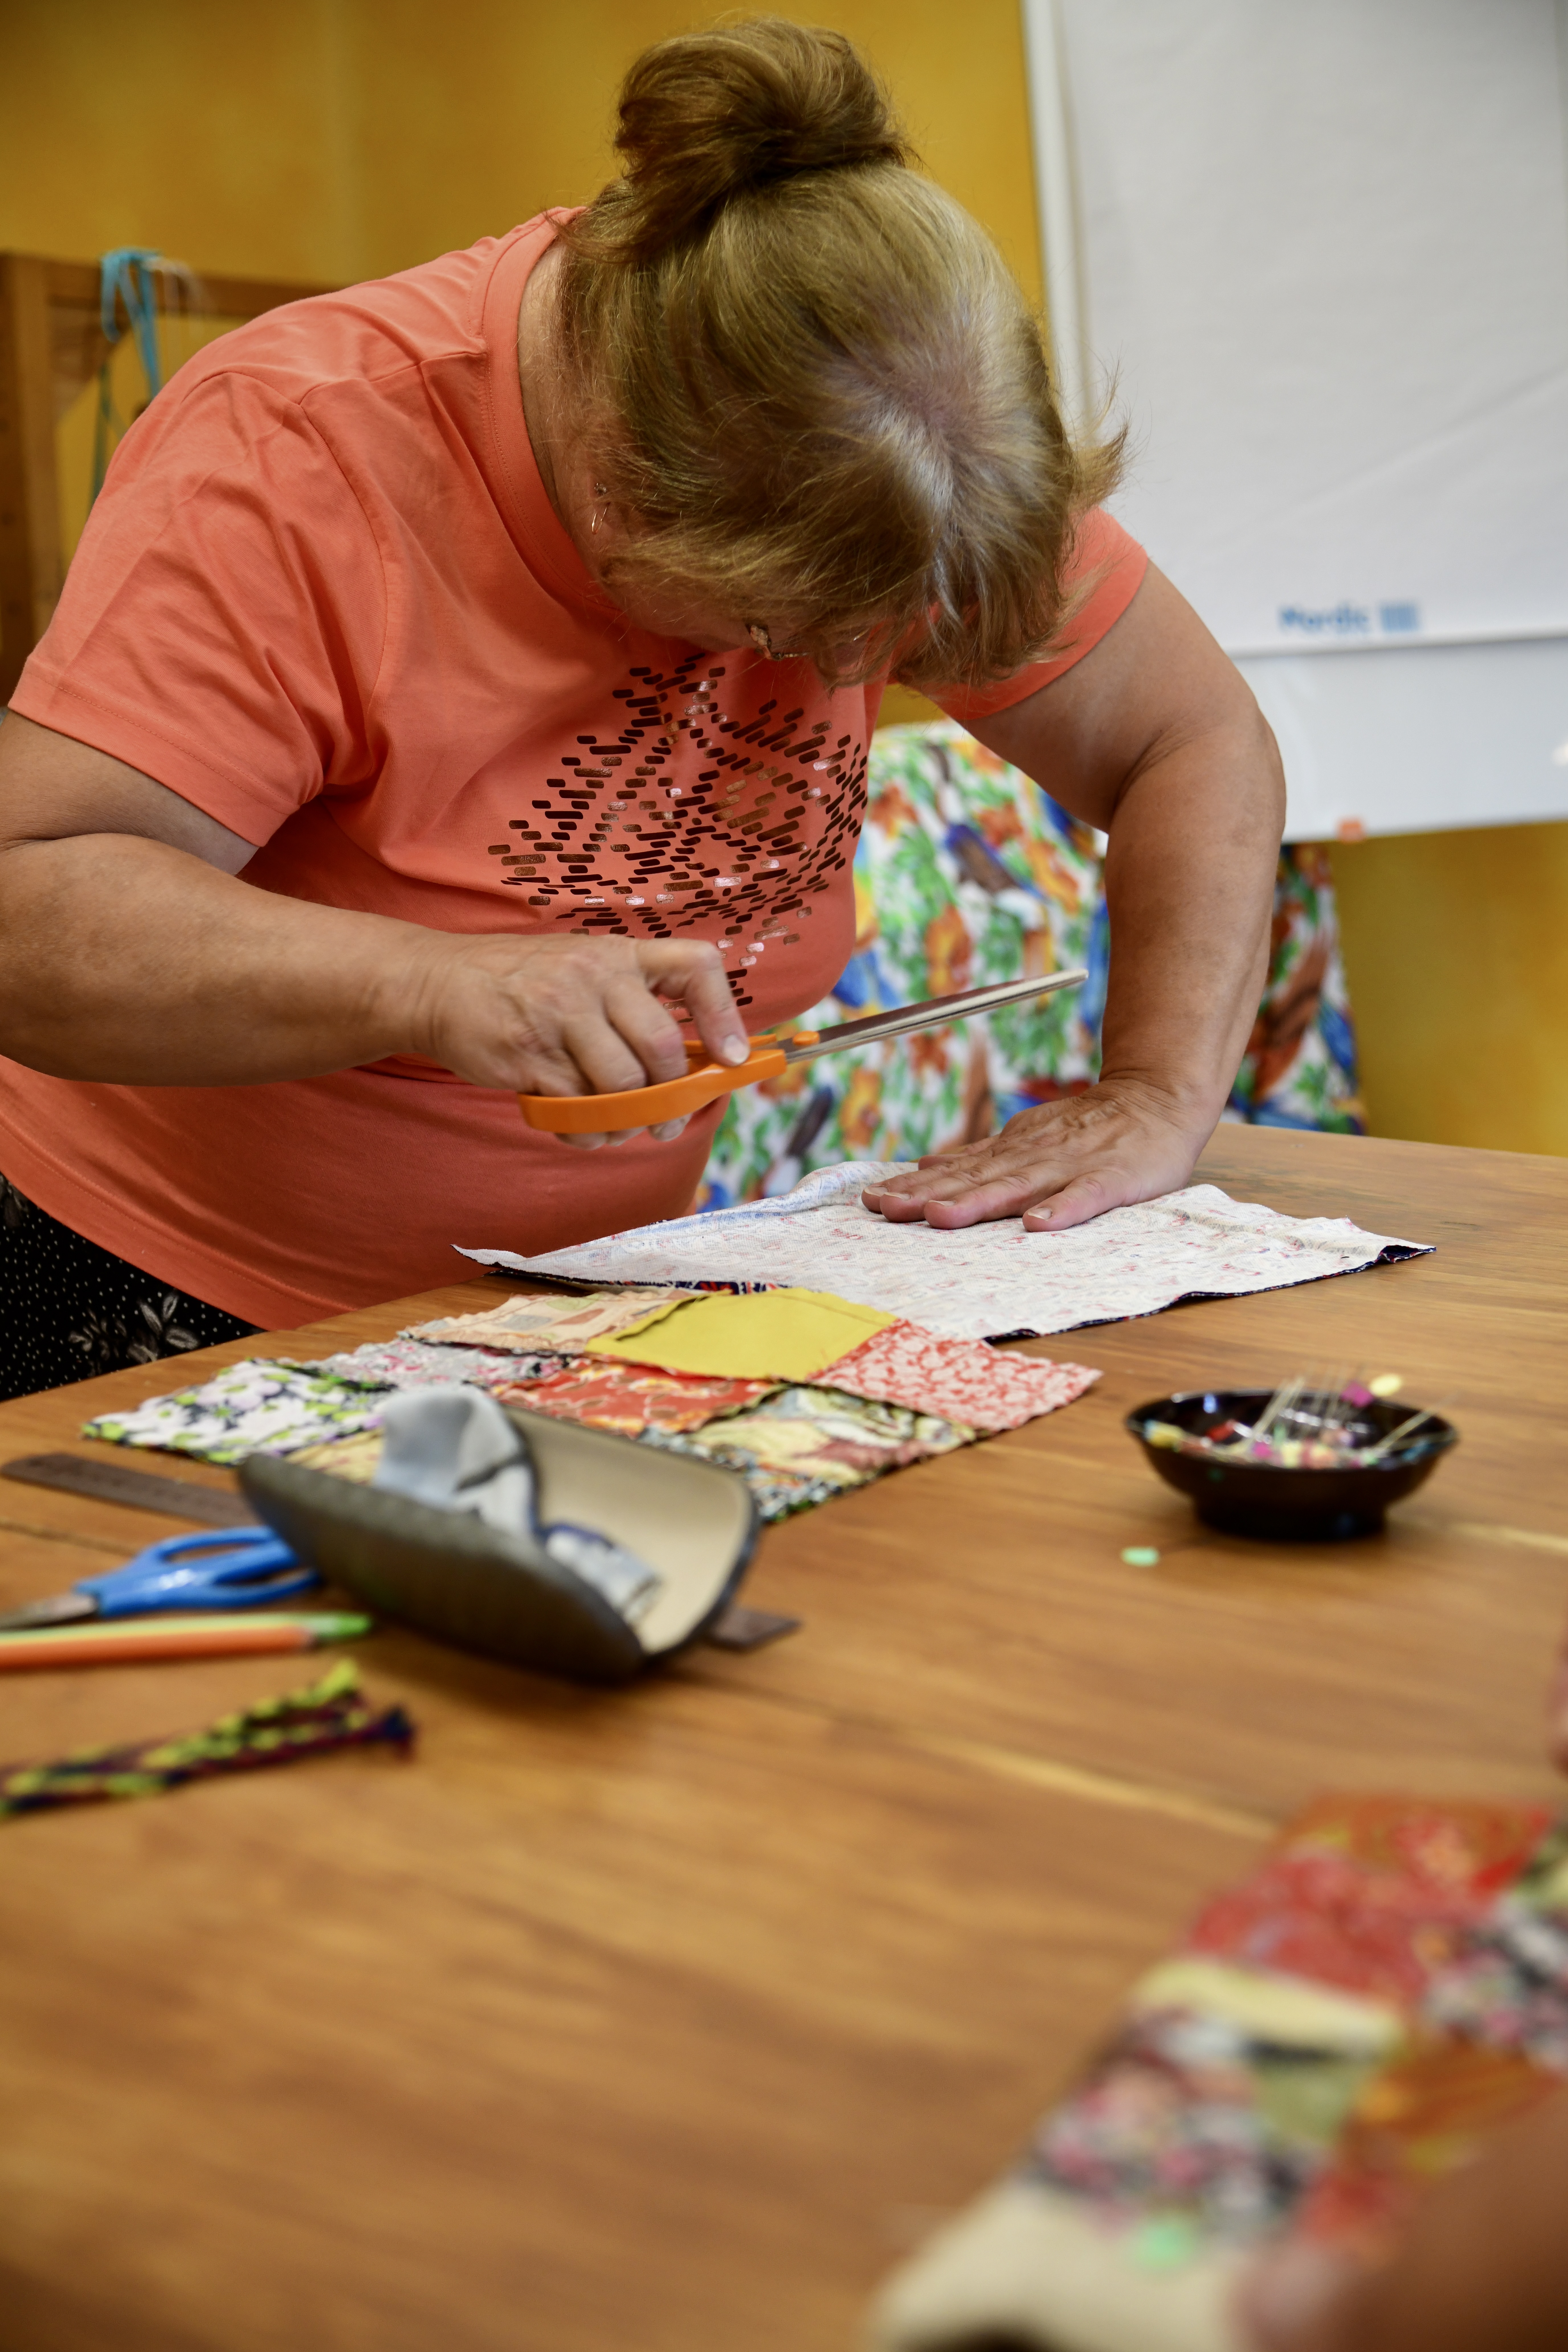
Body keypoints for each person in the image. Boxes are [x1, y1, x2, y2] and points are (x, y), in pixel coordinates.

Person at [0, 17, 1283, 1398]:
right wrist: (426, 982)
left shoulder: (903, 432)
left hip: (581, 1296)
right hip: (167, 1294)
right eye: (780, 630)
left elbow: (1191, 742)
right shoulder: (301, 451)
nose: (848, 682)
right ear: (623, 487)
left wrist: (1154, 1093)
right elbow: (28, 904)